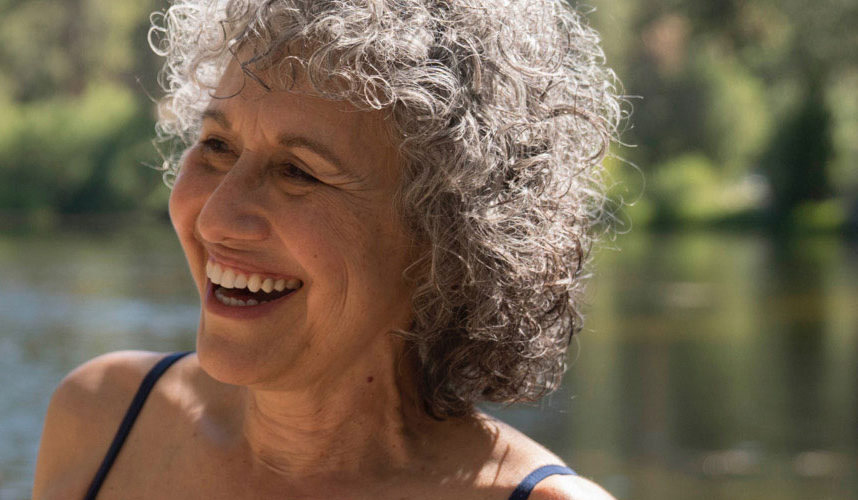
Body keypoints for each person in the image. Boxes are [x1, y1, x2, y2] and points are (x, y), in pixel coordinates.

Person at [33, 0, 623, 498]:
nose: (215, 219)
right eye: (216, 145)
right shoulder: (101, 419)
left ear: (447, 238)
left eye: (298, 172)